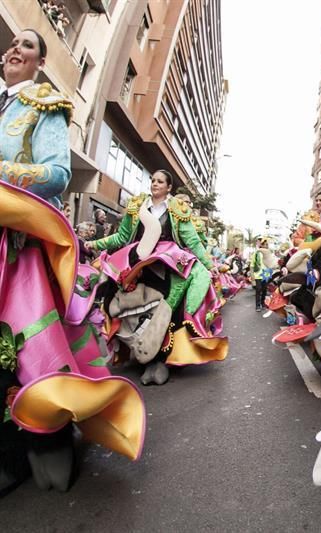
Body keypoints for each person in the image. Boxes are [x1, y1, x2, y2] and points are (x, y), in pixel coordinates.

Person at [0, 29, 145, 494]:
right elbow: (121, 234)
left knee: (26, 346)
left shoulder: (43, 105)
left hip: (18, 245)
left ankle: (43, 440)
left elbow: (58, 175)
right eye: (13, 44)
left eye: (27, 45)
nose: (15, 49)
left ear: (41, 62)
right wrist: (107, 248)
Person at [86, 169, 220, 384]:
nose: (155, 184)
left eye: (160, 181)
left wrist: (209, 265)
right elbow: (121, 237)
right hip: (138, 262)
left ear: (169, 187)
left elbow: (193, 241)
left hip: (167, 265)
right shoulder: (137, 206)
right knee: (118, 300)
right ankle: (139, 351)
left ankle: (159, 359)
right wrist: (93, 244)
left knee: (168, 309)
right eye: (153, 180)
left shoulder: (177, 210)